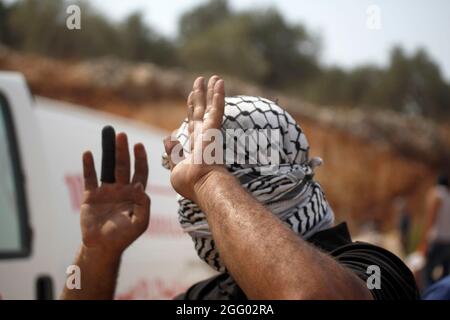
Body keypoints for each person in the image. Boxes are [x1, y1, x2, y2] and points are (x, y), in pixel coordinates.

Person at [61, 75, 419, 300]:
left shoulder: (371, 269)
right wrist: (99, 254)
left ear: (275, 179)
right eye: (185, 181)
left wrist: (206, 177)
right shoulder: (207, 297)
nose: (189, 205)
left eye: (199, 184)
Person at [419, 173, 450, 287]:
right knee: (446, 276)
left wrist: (424, 242)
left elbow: (430, 219)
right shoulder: (448, 195)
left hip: (437, 240)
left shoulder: (436, 194)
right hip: (448, 241)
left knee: (427, 274)